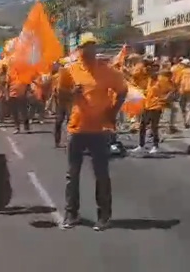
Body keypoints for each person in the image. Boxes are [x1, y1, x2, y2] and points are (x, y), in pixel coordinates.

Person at [57, 33, 128, 231]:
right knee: (72, 174)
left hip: (99, 130)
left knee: (101, 174)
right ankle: (72, 214)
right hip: (77, 129)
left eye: (93, 46)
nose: (90, 50)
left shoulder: (107, 71)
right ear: (79, 49)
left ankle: (104, 216)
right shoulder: (69, 71)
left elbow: (122, 90)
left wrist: (112, 112)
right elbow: (61, 98)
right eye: (86, 46)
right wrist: (72, 94)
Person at [130, 64, 175, 155]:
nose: (148, 72)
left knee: (154, 126)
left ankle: (155, 146)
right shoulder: (149, 80)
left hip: (156, 106)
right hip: (147, 105)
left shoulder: (162, 80)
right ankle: (141, 145)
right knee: (142, 126)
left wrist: (166, 98)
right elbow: (147, 90)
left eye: (151, 70)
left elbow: (172, 89)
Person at [7, 70, 30, 134]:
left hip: (22, 95)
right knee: (14, 113)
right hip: (12, 95)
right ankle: (17, 127)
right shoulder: (10, 73)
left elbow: (28, 85)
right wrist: (7, 95)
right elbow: (7, 85)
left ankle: (26, 127)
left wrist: (27, 93)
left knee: (24, 112)